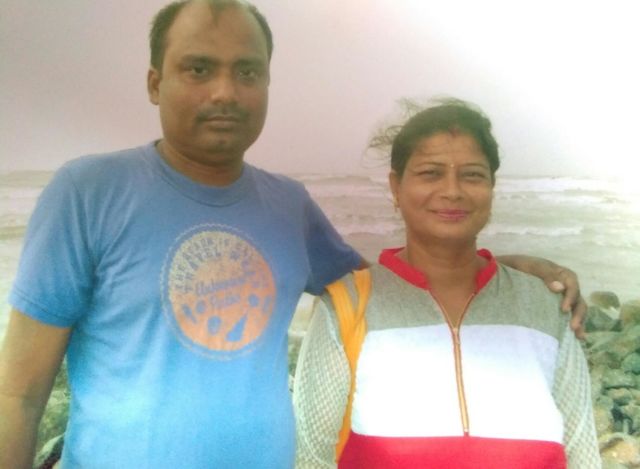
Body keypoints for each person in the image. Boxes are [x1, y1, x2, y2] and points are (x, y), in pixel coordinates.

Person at [0, 1, 585, 468]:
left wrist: (505, 268)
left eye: (247, 72)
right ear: (155, 82)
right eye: (198, 68)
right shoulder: (88, 192)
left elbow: (388, 290)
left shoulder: (287, 204)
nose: (225, 91)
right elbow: (19, 394)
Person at [293, 99, 601, 468]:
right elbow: (312, 457)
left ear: (492, 187)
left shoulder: (546, 307)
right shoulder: (349, 307)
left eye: (472, 175)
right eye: (430, 173)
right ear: (396, 187)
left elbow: (583, 454)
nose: (452, 191)